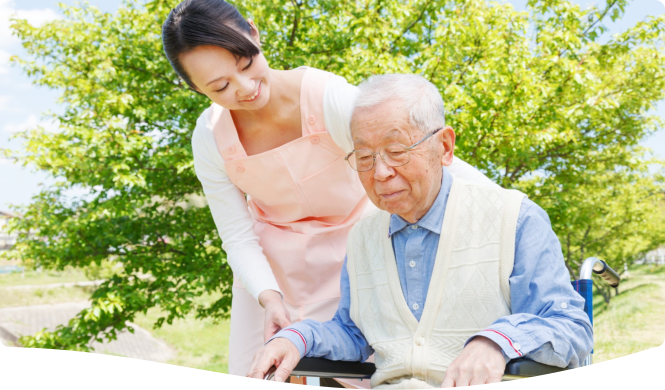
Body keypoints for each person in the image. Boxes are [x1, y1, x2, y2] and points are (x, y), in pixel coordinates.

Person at [161, 1, 496, 385]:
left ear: (253, 33)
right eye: (220, 87)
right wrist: (269, 298)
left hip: (356, 260)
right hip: (272, 276)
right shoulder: (209, 137)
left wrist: (507, 212)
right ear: (194, 88)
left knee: (368, 371)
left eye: (246, 63)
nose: (246, 88)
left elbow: (423, 155)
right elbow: (237, 236)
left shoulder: (327, 97)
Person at [248, 74, 594, 388]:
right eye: (365, 157)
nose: (380, 172)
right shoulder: (363, 236)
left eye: (397, 151)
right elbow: (352, 332)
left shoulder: (516, 218)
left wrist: (497, 342)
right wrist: (297, 338)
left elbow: (572, 328)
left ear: (444, 147)